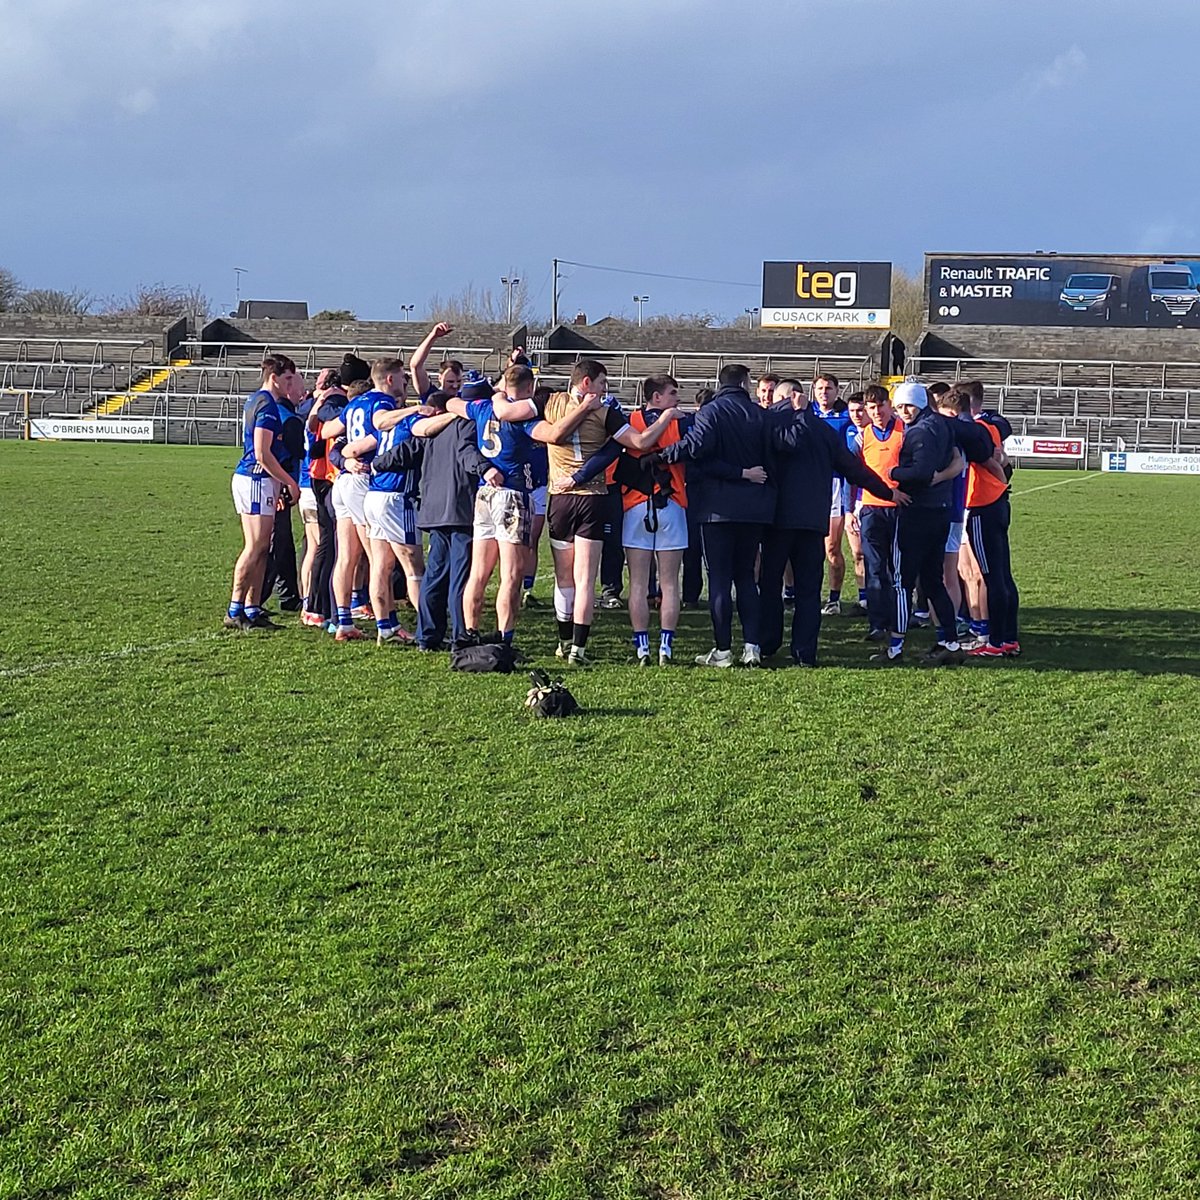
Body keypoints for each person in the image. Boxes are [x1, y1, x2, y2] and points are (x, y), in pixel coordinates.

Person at [500, 360, 681, 665]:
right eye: (601, 383)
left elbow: (505, 412)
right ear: (586, 383)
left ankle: (563, 640)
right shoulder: (604, 412)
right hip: (593, 498)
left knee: (564, 579)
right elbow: (640, 441)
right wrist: (665, 418)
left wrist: (495, 396)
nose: (604, 389)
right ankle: (578, 651)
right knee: (585, 579)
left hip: (560, 497)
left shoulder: (547, 400)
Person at [762, 391, 899, 666]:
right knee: (809, 589)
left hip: (778, 520)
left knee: (770, 584)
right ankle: (805, 651)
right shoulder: (824, 432)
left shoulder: (772, 428)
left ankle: (767, 643)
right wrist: (887, 492)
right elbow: (855, 470)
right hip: (813, 520)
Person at [658, 363, 775, 667]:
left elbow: (696, 450)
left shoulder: (710, 412)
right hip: (753, 508)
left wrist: (663, 455)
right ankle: (752, 647)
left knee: (720, 580)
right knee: (747, 577)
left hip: (716, 509)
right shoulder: (760, 414)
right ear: (746, 383)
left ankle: (723, 650)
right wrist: (746, 475)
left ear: (720, 383)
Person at [342, 358, 453, 645]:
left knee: (381, 563)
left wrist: (345, 459)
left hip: (374, 495)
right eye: (403, 379)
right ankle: (429, 629)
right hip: (396, 499)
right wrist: (456, 415)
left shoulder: (385, 419)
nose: (405, 384)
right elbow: (424, 430)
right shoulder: (405, 417)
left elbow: (353, 446)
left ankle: (385, 627)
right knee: (414, 568)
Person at [370, 389, 491, 650]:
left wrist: (376, 464)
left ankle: (427, 635)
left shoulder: (428, 433)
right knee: (460, 577)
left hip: (433, 512)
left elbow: (399, 454)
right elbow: (467, 456)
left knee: (434, 576)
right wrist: (487, 469)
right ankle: (462, 634)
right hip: (460, 510)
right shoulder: (466, 425)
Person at [873, 380, 966, 665]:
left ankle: (896, 647)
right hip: (940, 509)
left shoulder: (920, 432)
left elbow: (922, 471)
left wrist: (895, 471)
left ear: (920, 403)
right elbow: (955, 458)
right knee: (932, 580)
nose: (903, 411)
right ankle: (948, 642)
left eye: (908, 405)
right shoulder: (941, 425)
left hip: (917, 512)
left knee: (902, 582)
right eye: (899, 406)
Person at [616, 375, 689, 666]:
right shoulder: (679, 422)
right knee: (669, 582)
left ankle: (642, 646)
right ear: (656, 397)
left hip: (635, 506)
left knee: (638, 582)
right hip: (670, 503)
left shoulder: (627, 420)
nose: (676, 399)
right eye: (672, 393)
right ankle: (665, 647)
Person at [225, 354, 300, 631]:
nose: (291, 384)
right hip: (256, 479)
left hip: (258, 480)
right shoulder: (267, 405)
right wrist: (289, 482)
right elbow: (261, 454)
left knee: (262, 548)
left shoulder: (258, 399)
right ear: (274, 377)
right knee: (255, 547)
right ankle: (235, 608)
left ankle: (252, 607)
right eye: (288, 379)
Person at [856, 386, 906, 642]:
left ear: (889, 405)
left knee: (896, 569)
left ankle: (899, 620)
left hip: (899, 509)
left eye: (881, 406)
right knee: (874, 568)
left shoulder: (903, 431)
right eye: (872, 407)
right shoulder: (861, 436)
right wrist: (855, 505)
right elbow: (854, 473)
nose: (877, 412)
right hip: (871, 509)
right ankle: (878, 624)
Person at [260, 368, 308, 611]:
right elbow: (286, 454)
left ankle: (288, 596)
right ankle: (255, 600)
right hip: (278, 485)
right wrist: (284, 487)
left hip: (278, 484)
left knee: (282, 543)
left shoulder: (280, 412)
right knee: (274, 545)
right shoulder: (286, 417)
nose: (303, 393)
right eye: (299, 387)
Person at [811, 373, 852, 615]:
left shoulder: (845, 419)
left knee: (832, 547)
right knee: (809, 547)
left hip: (836, 485)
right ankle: (804, 594)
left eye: (828, 388)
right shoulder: (807, 415)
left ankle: (834, 599)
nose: (824, 393)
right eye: (820, 388)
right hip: (810, 485)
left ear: (836, 391)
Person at [843, 390, 871, 613]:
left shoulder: (882, 434)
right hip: (859, 500)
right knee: (858, 552)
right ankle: (864, 598)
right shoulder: (850, 434)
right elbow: (847, 477)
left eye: (861, 410)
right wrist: (848, 509)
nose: (856, 415)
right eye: (852, 411)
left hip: (881, 501)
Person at [409, 322, 463, 400]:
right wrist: (433, 336)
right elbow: (415, 366)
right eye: (450, 381)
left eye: (458, 381)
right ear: (440, 378)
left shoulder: (467, 399)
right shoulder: (433, 396)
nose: (455, 386)